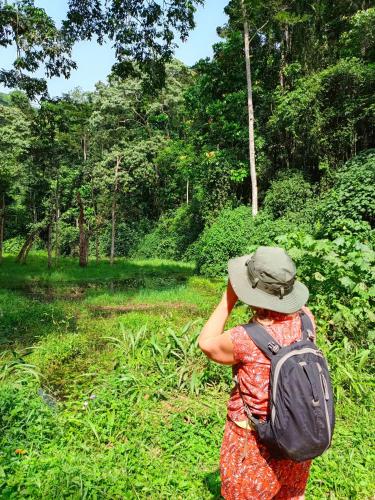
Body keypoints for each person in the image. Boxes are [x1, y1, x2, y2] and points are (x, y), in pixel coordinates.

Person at [198, 246, 315, 500]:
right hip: (295, 435)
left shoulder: (245, 339)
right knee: (290, 495)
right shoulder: (307, 320)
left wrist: (228, 298)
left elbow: (206, 343)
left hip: (253, 444)